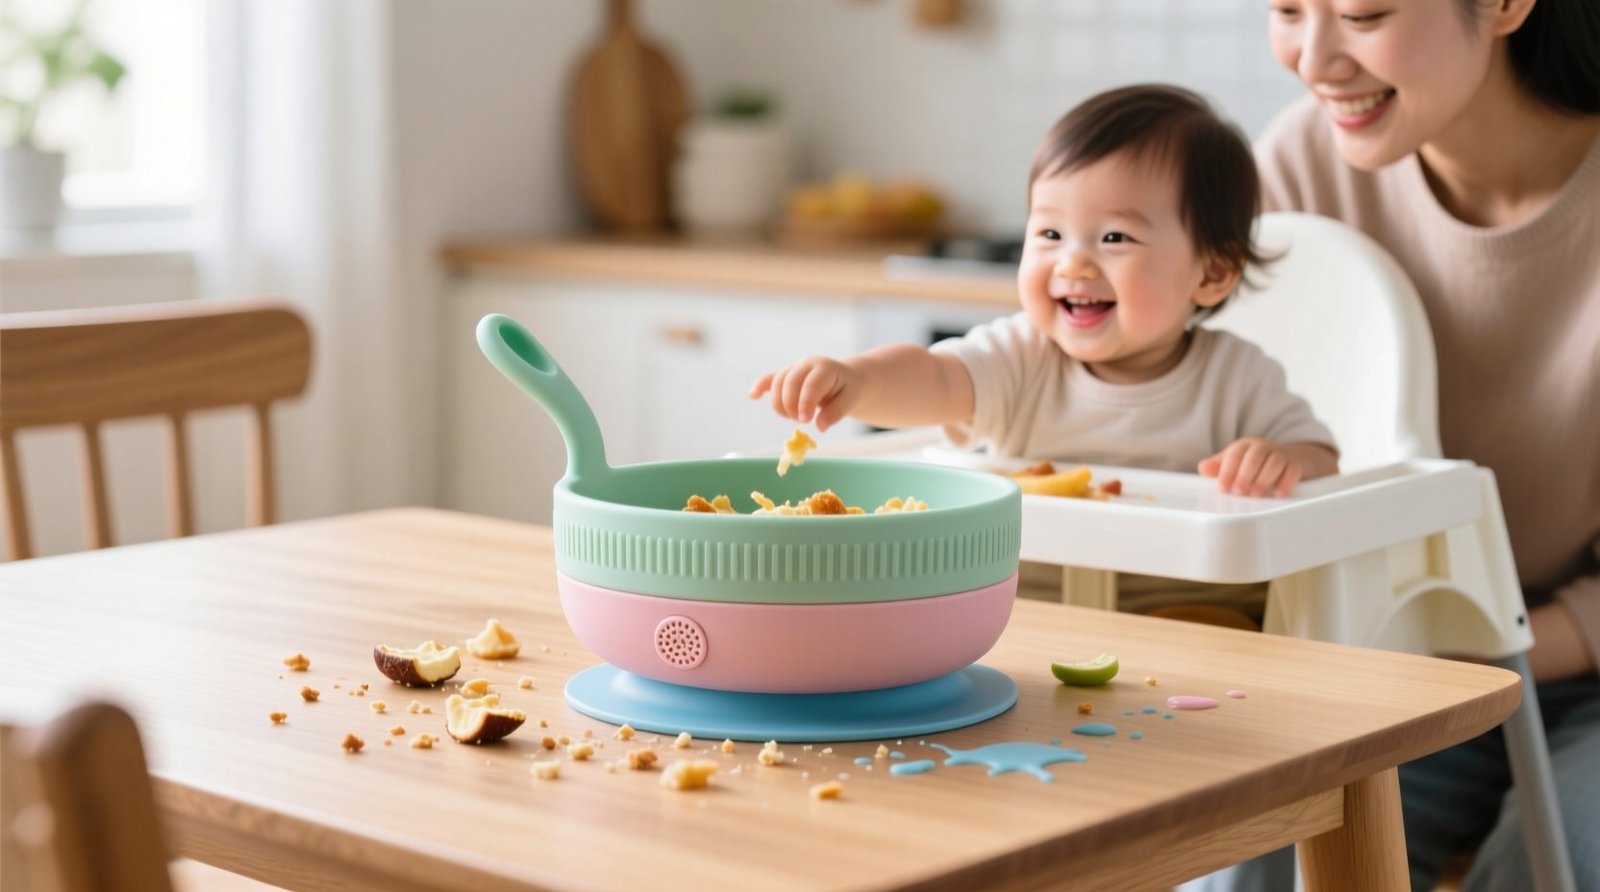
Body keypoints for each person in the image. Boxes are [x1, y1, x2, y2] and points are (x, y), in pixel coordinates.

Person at [1193, 0, 1600, 889]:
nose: (1315, 58)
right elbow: (1183, 379)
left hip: (1568, 658)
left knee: (1564, 851)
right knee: (1261, 845)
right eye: (1289, 11)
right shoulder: (1301, 163)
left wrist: (1490, 641)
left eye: (1364, 14)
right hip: (1391, 651)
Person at [751, 84, 1339, 501]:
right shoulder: (1021, 356)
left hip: (1175, 609)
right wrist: (858, 382)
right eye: (1050, 233)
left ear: (1211, 273)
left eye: (1114, 237)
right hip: (1028, 607)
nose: (1074, 262)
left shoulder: (1235, 377)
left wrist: (1281, 460)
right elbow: (931, 378)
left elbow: (1322, 459)